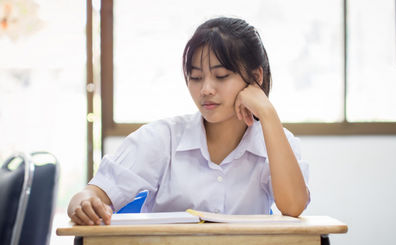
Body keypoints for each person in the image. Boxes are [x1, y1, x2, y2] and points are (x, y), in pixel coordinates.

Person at [68, 17, 310, 225]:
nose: (205, 89)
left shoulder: (277, 142)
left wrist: (267, 112)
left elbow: (293, 207)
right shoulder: (162, 138)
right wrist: (85, 203)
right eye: (195, 77)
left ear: (256, 77)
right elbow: (92, 193)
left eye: (221, 76)